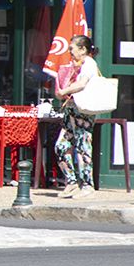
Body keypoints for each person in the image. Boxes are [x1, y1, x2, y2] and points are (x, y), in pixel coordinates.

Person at [53, 34, 99, 199]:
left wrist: (64, 91)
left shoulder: (89, 64)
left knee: (83, 146)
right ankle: (71, 182)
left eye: (72, 48)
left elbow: (82, 84)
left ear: (83, 49)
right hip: (71, 110)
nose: (70, 51)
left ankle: (87, 185)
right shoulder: (77, 65)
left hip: (83, 111)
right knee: (61, 146)